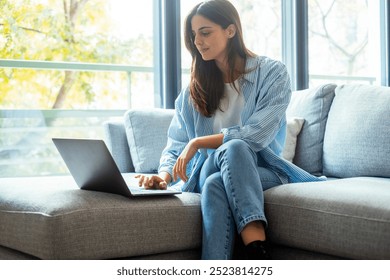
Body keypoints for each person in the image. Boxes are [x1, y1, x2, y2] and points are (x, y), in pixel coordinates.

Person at [136, 0, 325, 260]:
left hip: (262, 170)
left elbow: (257, 133)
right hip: (209, 167)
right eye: (194, 35)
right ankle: (256, 246)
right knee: (229, 151)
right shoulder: (193, 91)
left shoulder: (272, 73)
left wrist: (199, 142)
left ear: (231, 30)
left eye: (205, 32)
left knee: (220, 178)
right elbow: (177, 143)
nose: (198, 41)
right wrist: (165, 176)